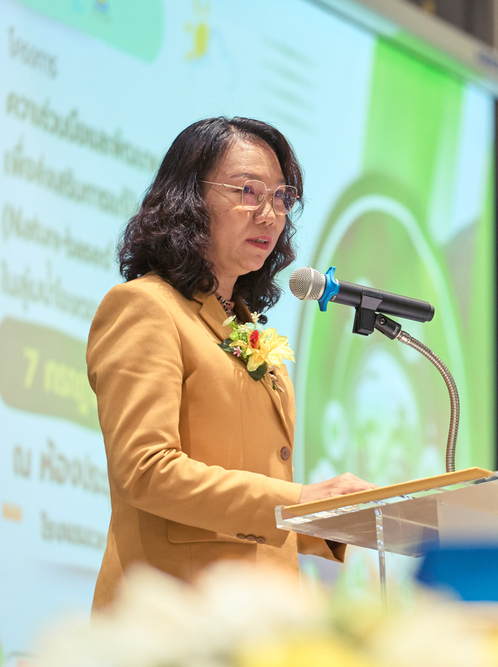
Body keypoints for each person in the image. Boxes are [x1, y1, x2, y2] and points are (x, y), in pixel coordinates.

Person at [87, 117, 375, 610]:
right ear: (189, 200)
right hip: (172, 614)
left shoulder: (245, 326)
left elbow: (250, 497)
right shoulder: (145, 307)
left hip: (259, 616)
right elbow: (145, 470)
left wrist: (331, 517)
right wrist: (297, 501)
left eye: (282, 196)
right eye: (247, 191)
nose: (270, 214)